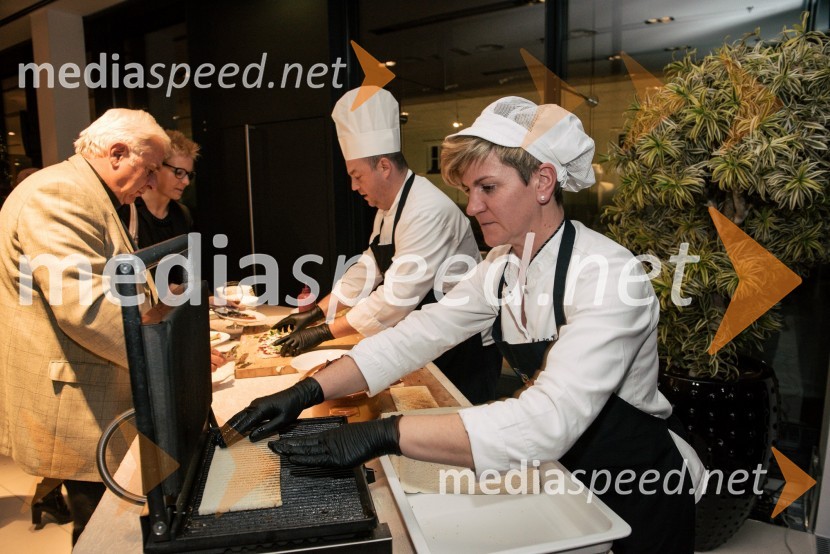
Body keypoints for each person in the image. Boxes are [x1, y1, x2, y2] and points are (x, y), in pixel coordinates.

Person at [223, 97, 704, 553]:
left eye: (487, 188)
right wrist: (306, 391)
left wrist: (385, 433)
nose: (472, 207)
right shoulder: (502, 265)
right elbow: (419, 333)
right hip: (564, 474)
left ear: (542, 181)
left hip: (638, 483)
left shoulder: (609, 274)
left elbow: (549, 419)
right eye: (469, 191)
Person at [0, 108, 169, 545]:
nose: (154, 182)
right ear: (117, 153)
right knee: (102, 533)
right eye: (150, 169)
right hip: (81, 396)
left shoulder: (85, 189)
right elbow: (87, 309)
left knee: (115, 524)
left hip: (98, 387)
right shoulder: (59, 193)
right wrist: (166, 353)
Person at [271, 86, 502, 404]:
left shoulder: (426, 209)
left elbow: (396, 297)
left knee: (455, 422)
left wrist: (324, 331)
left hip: (462, 347)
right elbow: (368, 268)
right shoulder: (389, 208)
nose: (353, 186)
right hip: (424, 337)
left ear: (383, 166)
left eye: (357, 175)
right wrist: (316, 312)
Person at [119, 129, 197, 251]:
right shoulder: (126, 208)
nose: (186, 182)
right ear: (156, 166)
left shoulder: (183, 214)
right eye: (179, 172)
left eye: (189, 175)